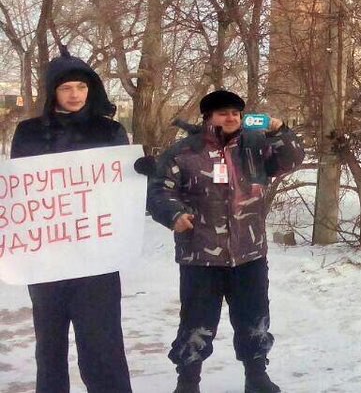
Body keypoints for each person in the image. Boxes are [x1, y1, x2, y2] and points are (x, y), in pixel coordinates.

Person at [146, 89, 304, 393]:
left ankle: (256, 377)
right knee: (196, 324)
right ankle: (188, 382)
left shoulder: (255, 147)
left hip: (249, 253)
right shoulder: (184, 152)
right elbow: (158, 191)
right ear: (208, 117)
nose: (230, 118)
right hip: (200, 256)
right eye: (222, 113)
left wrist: (281, 130)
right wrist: (175, 214)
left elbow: (292, 160)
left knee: (254, 320)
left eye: (235, 112)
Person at [9, 47, 133, 393]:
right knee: (49, 346)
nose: (75, 94)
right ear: (53, 93)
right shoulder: (29, 132)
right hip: (47, 259)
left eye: (81, 86)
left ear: (90, 89)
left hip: (97, 257)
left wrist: (141, 174)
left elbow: (123, 189)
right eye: (66, 88)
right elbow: (20, 188)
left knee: (102, 343)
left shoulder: (109, 131)